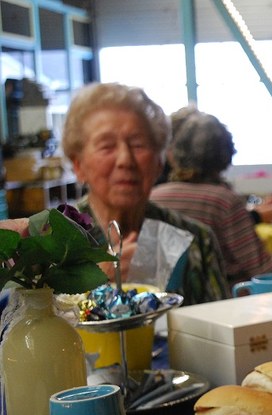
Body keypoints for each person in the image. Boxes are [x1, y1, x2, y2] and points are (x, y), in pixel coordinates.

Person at [61, 82, 229, 305]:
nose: (125, 160)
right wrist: (98, 282)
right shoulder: (51, 242)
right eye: (107, 146)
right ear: (78, 165)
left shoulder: (196, 240)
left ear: (160, 163)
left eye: (138, 144)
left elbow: (223, 330)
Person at [150, 109, 272, 288]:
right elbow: (270, 275)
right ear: (227, 153)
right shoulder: (224, 202)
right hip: (227, 305)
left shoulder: (155, 197)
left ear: (173, 152)